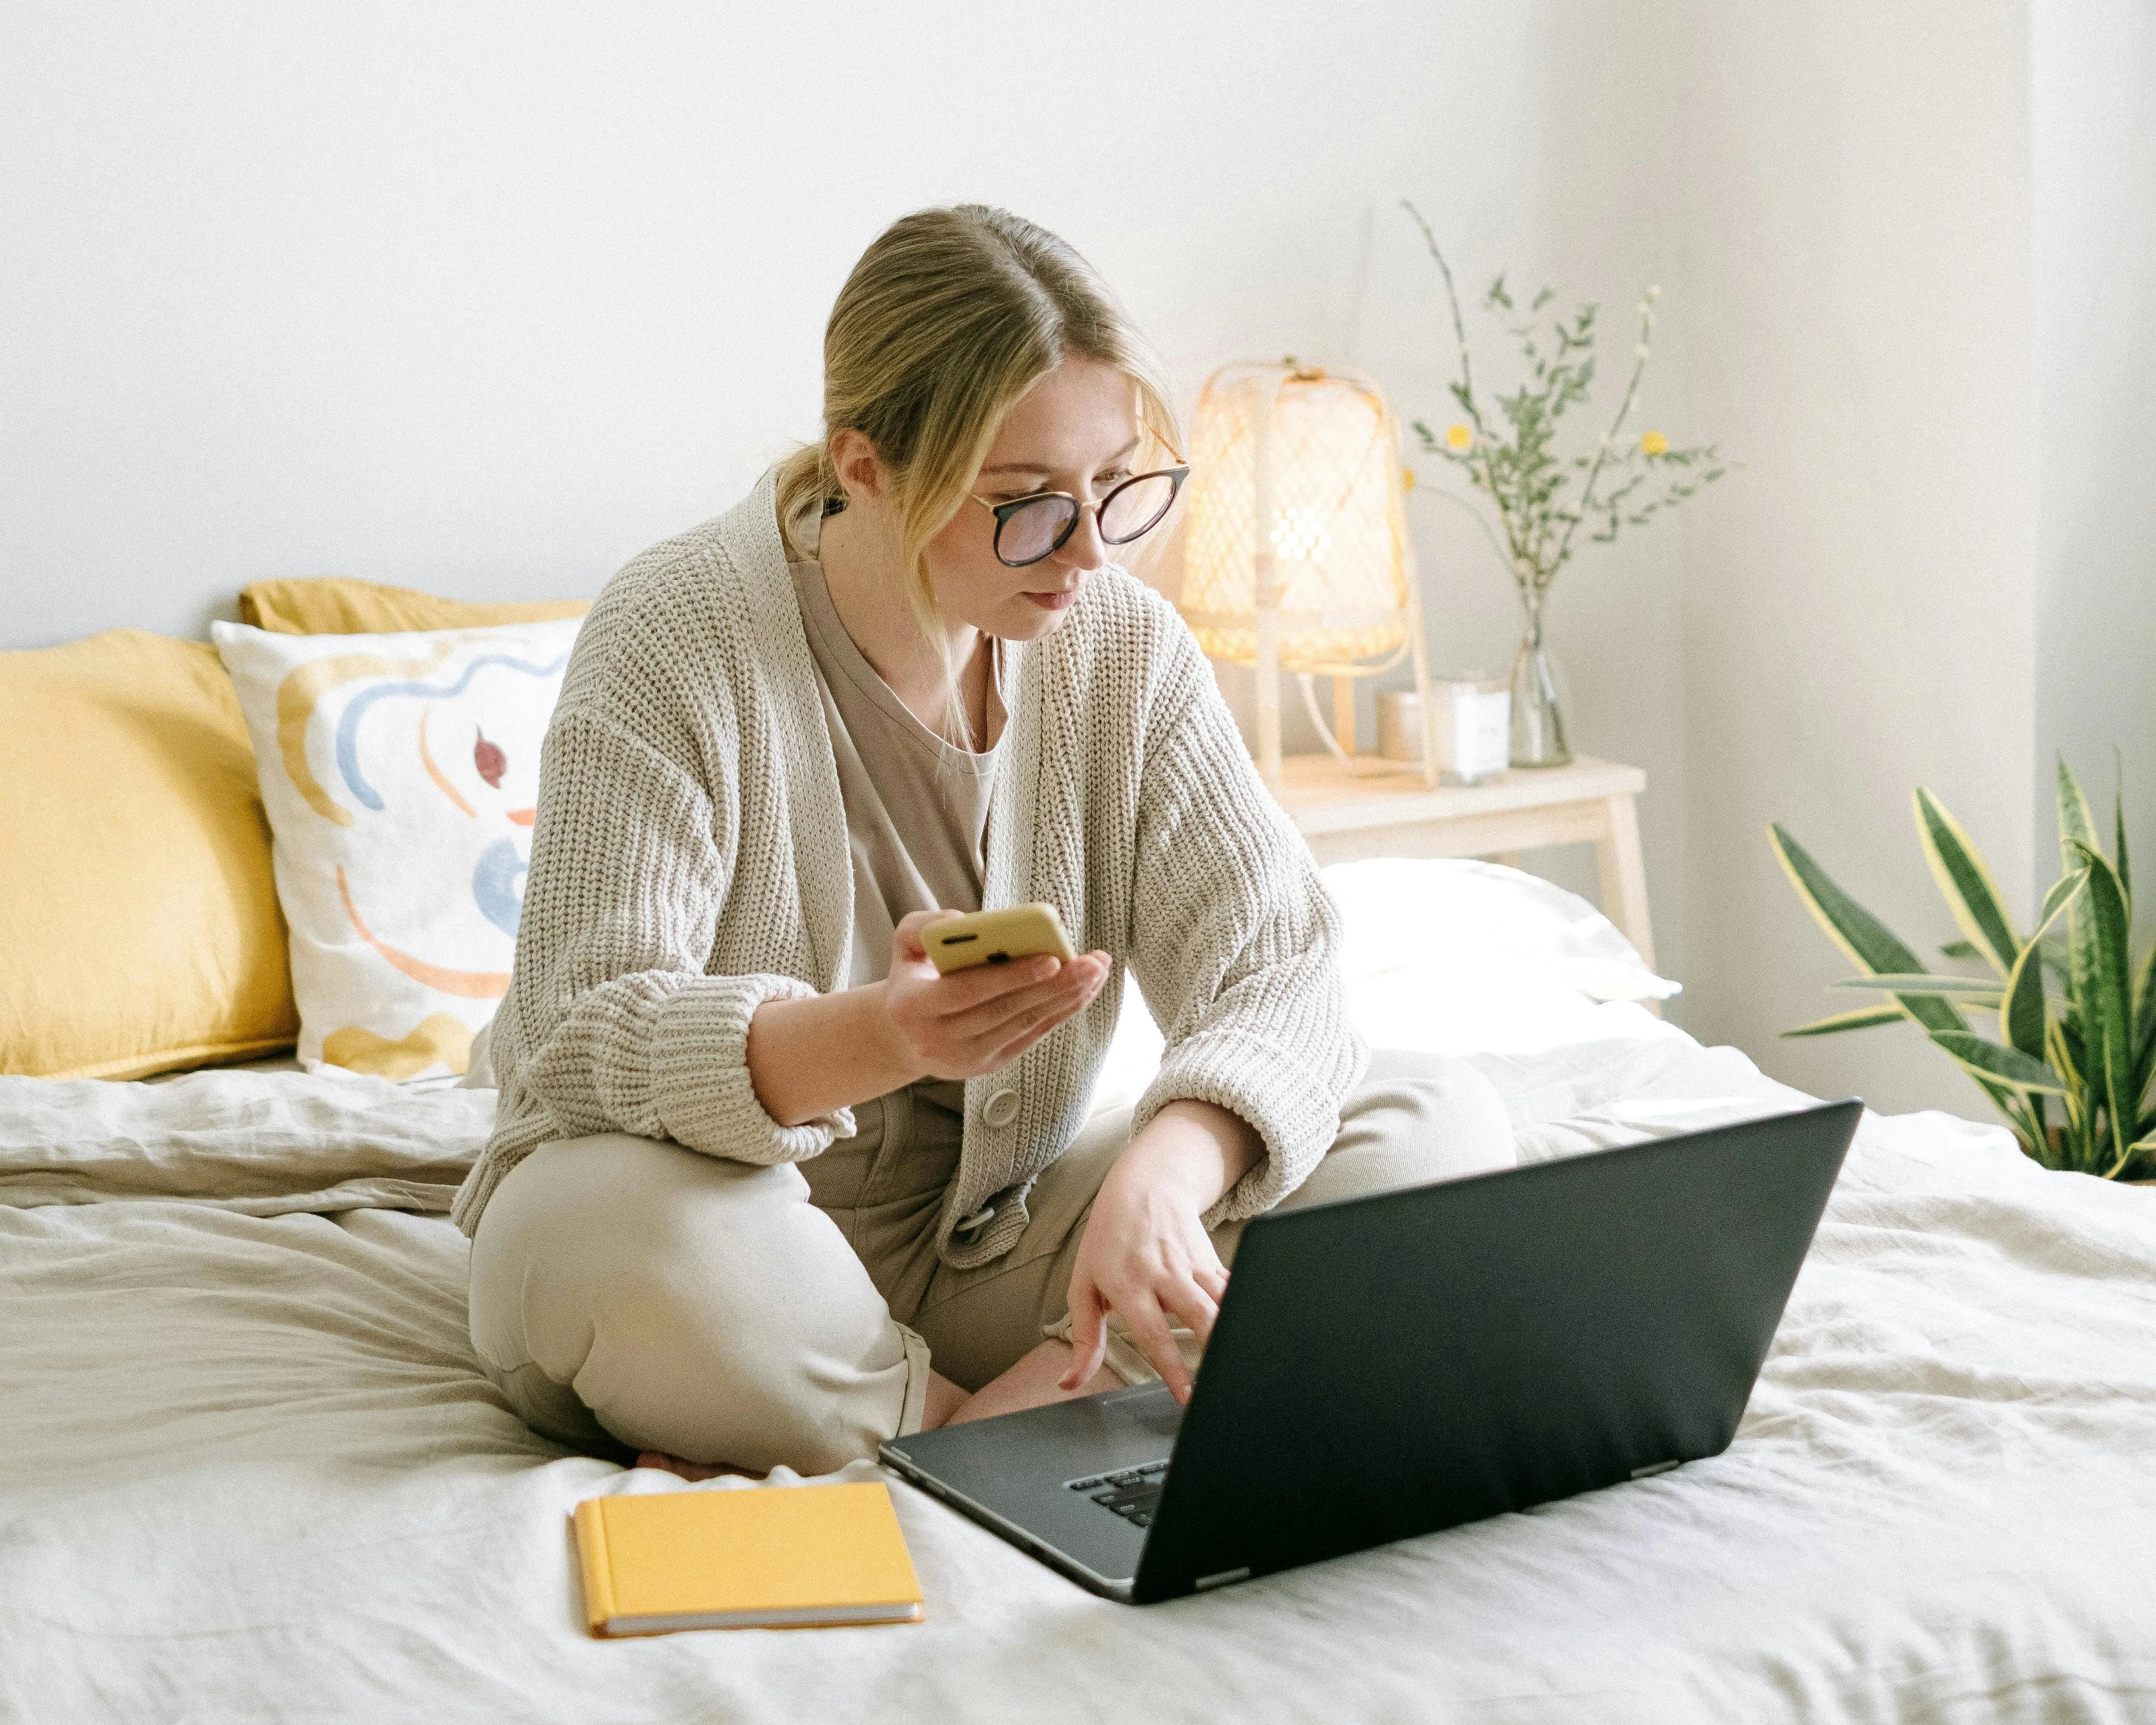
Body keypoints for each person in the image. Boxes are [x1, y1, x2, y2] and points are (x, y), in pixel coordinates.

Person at [454, 204, 1516, 1478]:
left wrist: (1168, 1174)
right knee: (594, 1230)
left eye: (1116, 487)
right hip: (727, 1247)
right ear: (865, 465)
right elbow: (580, 1028)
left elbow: (1277, 970)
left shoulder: (1118, 646)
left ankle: (978, 1428)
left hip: (990, 1252)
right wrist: (881, 1035)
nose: (1085, 553)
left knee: (1429, 1118)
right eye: (1023, 505)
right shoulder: (673, 634)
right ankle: (1030, 1418)